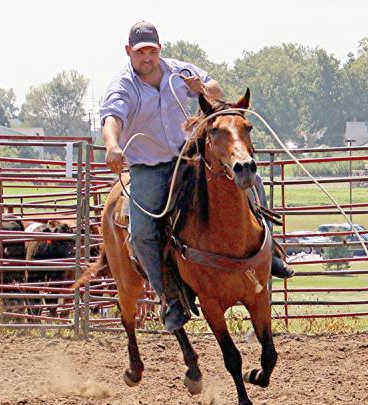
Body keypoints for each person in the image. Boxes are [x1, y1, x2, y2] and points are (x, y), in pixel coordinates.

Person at [100, 21, 293, 331]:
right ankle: (171, 297)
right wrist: (112, 145)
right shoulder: (123, 86)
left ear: (159, 49)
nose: (147, 57)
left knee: (251, 180)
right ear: (129, 52)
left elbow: (215, 89)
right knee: (142, 232)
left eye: (152, 50)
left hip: (189, 157)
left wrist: (201, 89)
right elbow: (112, 118)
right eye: (140, 52)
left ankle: (268, 254)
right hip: (151, 166)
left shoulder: (178, 71)